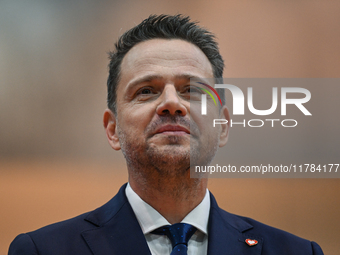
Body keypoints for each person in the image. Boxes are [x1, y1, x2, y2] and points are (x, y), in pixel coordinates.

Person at [8, 14, 323, 255]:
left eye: (192, 91)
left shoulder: (296, 251)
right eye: (146, 91)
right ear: (112, 128)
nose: (172, 103)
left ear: (223, 126)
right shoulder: (42, 249)